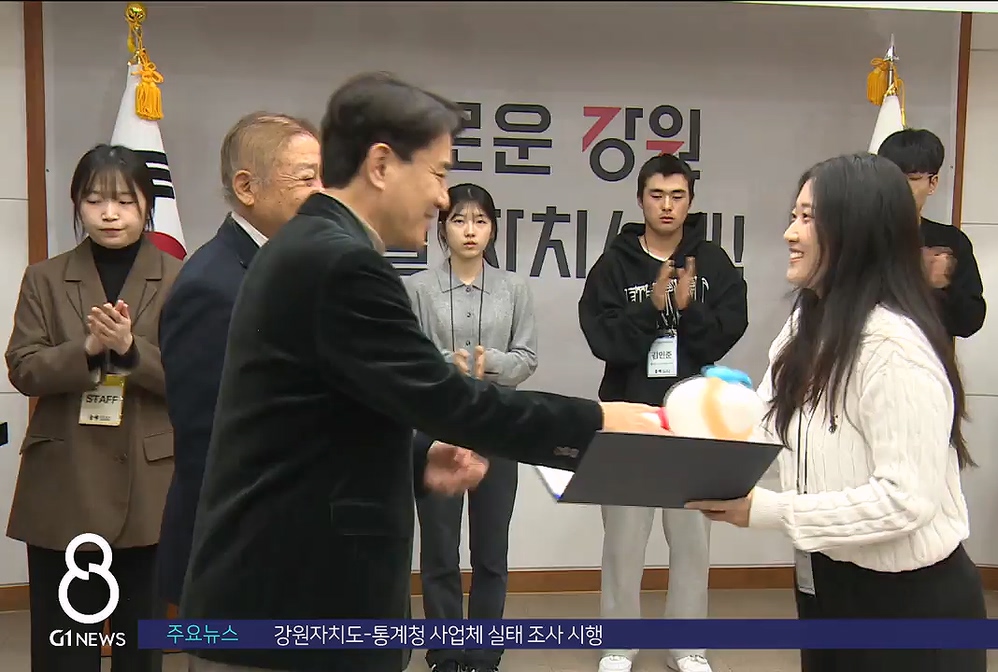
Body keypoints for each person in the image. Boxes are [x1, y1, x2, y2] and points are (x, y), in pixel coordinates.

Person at [178, 72, 664, 672]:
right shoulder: (340, 263)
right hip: (294, 606)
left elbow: (319, 422)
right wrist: (598, 421)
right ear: (382, 165)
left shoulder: (313, 247)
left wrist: (415, 457)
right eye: (436, 174)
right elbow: (450, 402)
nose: (443, 199)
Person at [688, 152, 987, 672]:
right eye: (794, 215)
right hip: (825, 581)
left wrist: (770, 511)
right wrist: (676, 434)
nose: (789, 233)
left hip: (911, 608)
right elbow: (766, 426)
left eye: (808, 218)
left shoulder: (893, 348)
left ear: (856, 231)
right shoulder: (807, 322)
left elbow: (904, 501)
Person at [5, 144, 182, 672]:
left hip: (149, 484)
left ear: (147, 206)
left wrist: (130, 350)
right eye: (95, 200)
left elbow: (196, 380)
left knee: (141, 645)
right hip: (65, 482)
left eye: (125, 201)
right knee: (65, 645)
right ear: (77, 205)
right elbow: (23, 368)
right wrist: (84, 349)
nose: (109, 214)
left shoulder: (180, 277)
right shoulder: (44, 277)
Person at [577, 153, 749, 672]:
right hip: (628, 417)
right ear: (640, 200)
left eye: (677, 196)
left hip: (695, 423)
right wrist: (649, 307)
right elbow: (603, 340)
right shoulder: (614, 265)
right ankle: (618, 646)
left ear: (690, 201)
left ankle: (687, 648)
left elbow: (725, 333)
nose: (667, 206)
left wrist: (690, 308)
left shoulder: (712, 262)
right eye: (657, 195)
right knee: (623, 543)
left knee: (692, 541)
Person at [156, 112, 321, 610]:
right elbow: (210, 443)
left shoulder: (290, 265)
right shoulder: (213, 285)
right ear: (247, 187)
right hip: (246, 556)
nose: (322, 193)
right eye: (306, 179)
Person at [405, 183, 537, 672]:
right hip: (436, 430)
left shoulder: (514, 288)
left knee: (491, 551)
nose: (470, 230)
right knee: (440, 550)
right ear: (442, 229)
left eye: (480, 221)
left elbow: (527, 358)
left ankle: (484, 653)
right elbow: (409, 359)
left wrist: (489, 362)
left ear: (493, 229)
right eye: (459, 220)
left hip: (498, 429)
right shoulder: (417, 289)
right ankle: (444, 652)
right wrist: (448, 363)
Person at [877, 129, 986, 338]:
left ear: (932, 183)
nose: (900, 187)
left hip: (927, 354)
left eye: (912, 178)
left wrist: (939, 287)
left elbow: (970, 322)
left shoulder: (951, 241)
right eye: (892, 178)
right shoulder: (859, 236)